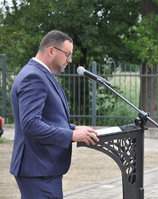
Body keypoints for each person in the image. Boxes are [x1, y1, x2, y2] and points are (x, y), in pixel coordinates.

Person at [10, 30, 99, 199]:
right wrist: (71, 134)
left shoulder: (40, 74)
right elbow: (30, 124)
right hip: (37, 169)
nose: (70, 60)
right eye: (67, 54)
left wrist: (75, 128)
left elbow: (47, 118)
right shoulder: (33, 77)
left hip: (42, 168)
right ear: (51, 51)